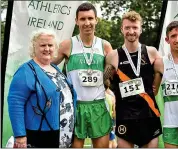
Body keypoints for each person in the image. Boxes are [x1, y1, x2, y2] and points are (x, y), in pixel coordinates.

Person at [52, 2, 113, 148]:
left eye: (90, 18)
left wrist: (104, 79)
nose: (87, 23)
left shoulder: (105, 45)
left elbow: (112, 73)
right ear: (76, 21)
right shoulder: (67, 45)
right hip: (74, 106)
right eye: (83, 19)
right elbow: (48, 66)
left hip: (98, 105)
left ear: (96, 20)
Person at [7, 28, 77, 148]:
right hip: (39, 136)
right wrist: (20, 135)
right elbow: (15, 103)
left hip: (63, 135)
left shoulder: (56, 69)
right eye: (42, 45)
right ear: (34, 47)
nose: (47, 48)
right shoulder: (25, 71)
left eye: (50, 45)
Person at [104, 11, 162, 148]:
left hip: (149, 114)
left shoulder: (152, 52)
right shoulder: (113, 56)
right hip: (125, 116)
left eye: (135, 27)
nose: (131, 31)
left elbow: (164, 74)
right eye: (127, 27)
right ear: (121, 29)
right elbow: (104, 81)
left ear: (141, 29)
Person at [104, 79, 117, 148]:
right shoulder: (111, 95)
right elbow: (114, 110)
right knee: (112, 139)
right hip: (111, 120)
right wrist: (114, 121)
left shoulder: (100, 96)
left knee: (109, 141)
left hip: (103, 121)